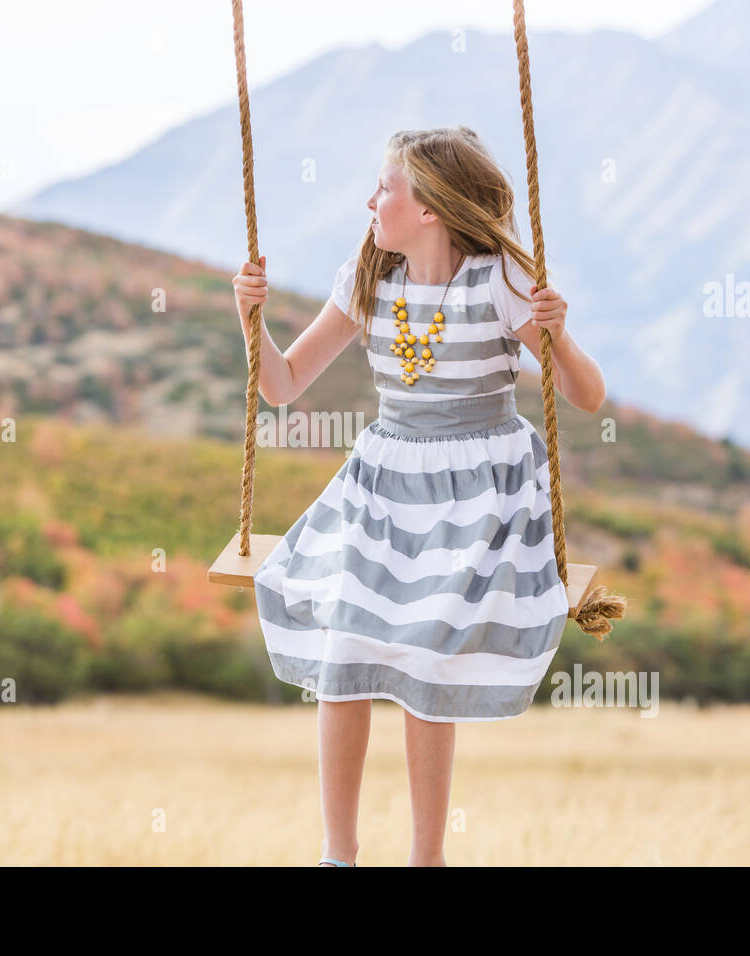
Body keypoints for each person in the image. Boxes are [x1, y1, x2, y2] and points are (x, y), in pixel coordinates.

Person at [232, 126, 606, 867]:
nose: (370, 200)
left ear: (430, 207)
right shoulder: (369, 279)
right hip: (386, 481)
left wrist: (558, 337)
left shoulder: (501, 280)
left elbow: (587, 397)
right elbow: (280, 386)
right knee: (346, 642)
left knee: (427, 652)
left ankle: (426, 858)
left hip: (482, 493)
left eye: (386, 188)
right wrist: (250, 320)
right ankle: (338, 855)